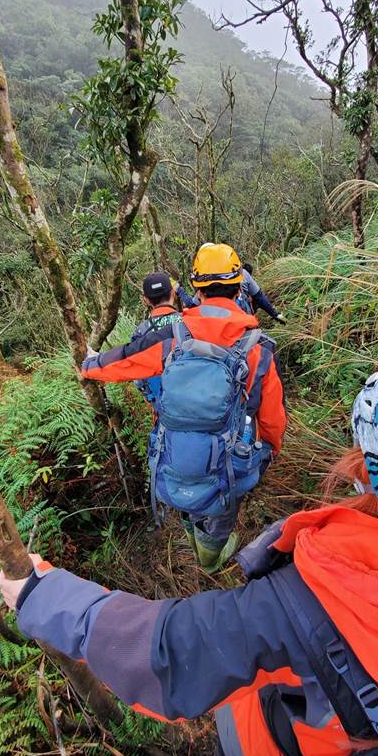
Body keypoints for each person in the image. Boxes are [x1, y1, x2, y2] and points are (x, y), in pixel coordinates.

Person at [1, 353, 378, 756]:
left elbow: (164, 652)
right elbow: (270, 412)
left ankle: (206, 546)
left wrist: (37, 592)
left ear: (371, 462)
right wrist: (267, 446)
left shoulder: (301, 602)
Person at [82, 242, 287, 570]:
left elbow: (127, 360)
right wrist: (270, 450)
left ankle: (193, 537)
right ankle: (210, 561)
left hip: (176, 456)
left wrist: (90, 366)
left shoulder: (175, 337)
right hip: (228, 460)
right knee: (220, 513)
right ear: (239, 286)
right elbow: (272, 417)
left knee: (190, 500)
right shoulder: (256, 347)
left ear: (196, 288)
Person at [177, 251, 286, 323]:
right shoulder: (243, 274)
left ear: (200, 294)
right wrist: (275, 314)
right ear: (238, 291)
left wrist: (180, 291)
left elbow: (192, 305)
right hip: (245, 322)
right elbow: (259, 297)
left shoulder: (184, 335)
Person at [130, 271, 182, 406]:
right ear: (173, 294)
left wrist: (148, 395)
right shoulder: (190, 321)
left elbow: (138, 370)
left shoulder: (141, 331)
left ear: (145, 299)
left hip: (161, 401)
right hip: (196, 397)